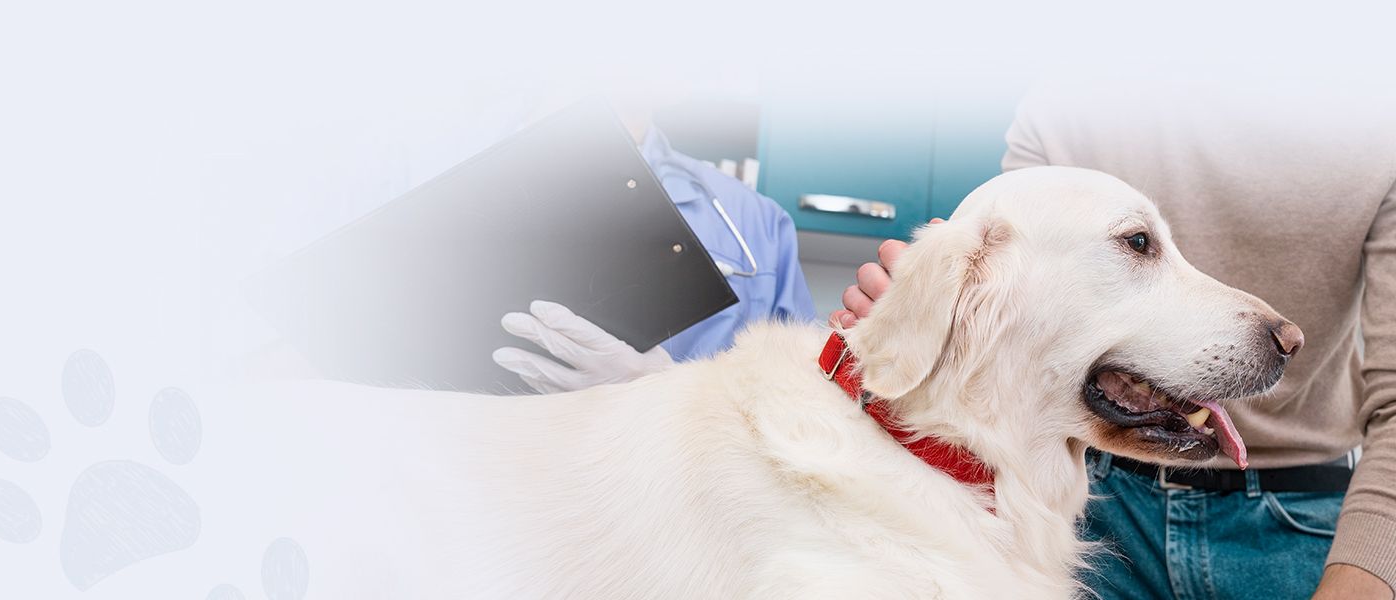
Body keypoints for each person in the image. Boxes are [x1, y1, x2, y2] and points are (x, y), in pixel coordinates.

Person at [831, 75, 1396, 600]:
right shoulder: (1068, 105)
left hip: (1302, 523)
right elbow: (1006, 329)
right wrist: (915, 306)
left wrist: (1366, 575)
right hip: (1089, 514)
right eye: (1138, 244)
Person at [492, 109, 816, 393]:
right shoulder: (479, 190)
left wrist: (666, 394)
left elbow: (800, 399)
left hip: (682, 458)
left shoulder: (754, 219)